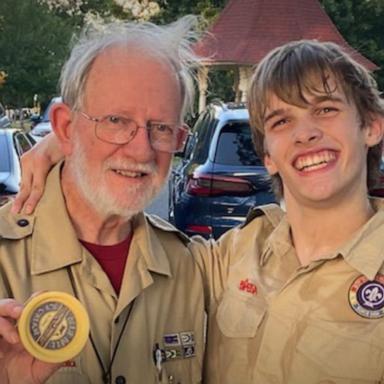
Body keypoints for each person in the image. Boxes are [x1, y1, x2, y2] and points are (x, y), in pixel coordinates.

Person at [12, 40, 384, 383]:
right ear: (267, 155)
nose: (306, 134)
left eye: (325, 109)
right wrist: (72, 140)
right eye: (282, 121)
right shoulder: (228, 259)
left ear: (371, 126)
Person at [0, 16, 206, 384]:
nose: (141, 150)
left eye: (161, 128)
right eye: (115, 120)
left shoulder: (193, 269)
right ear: (65, 127)